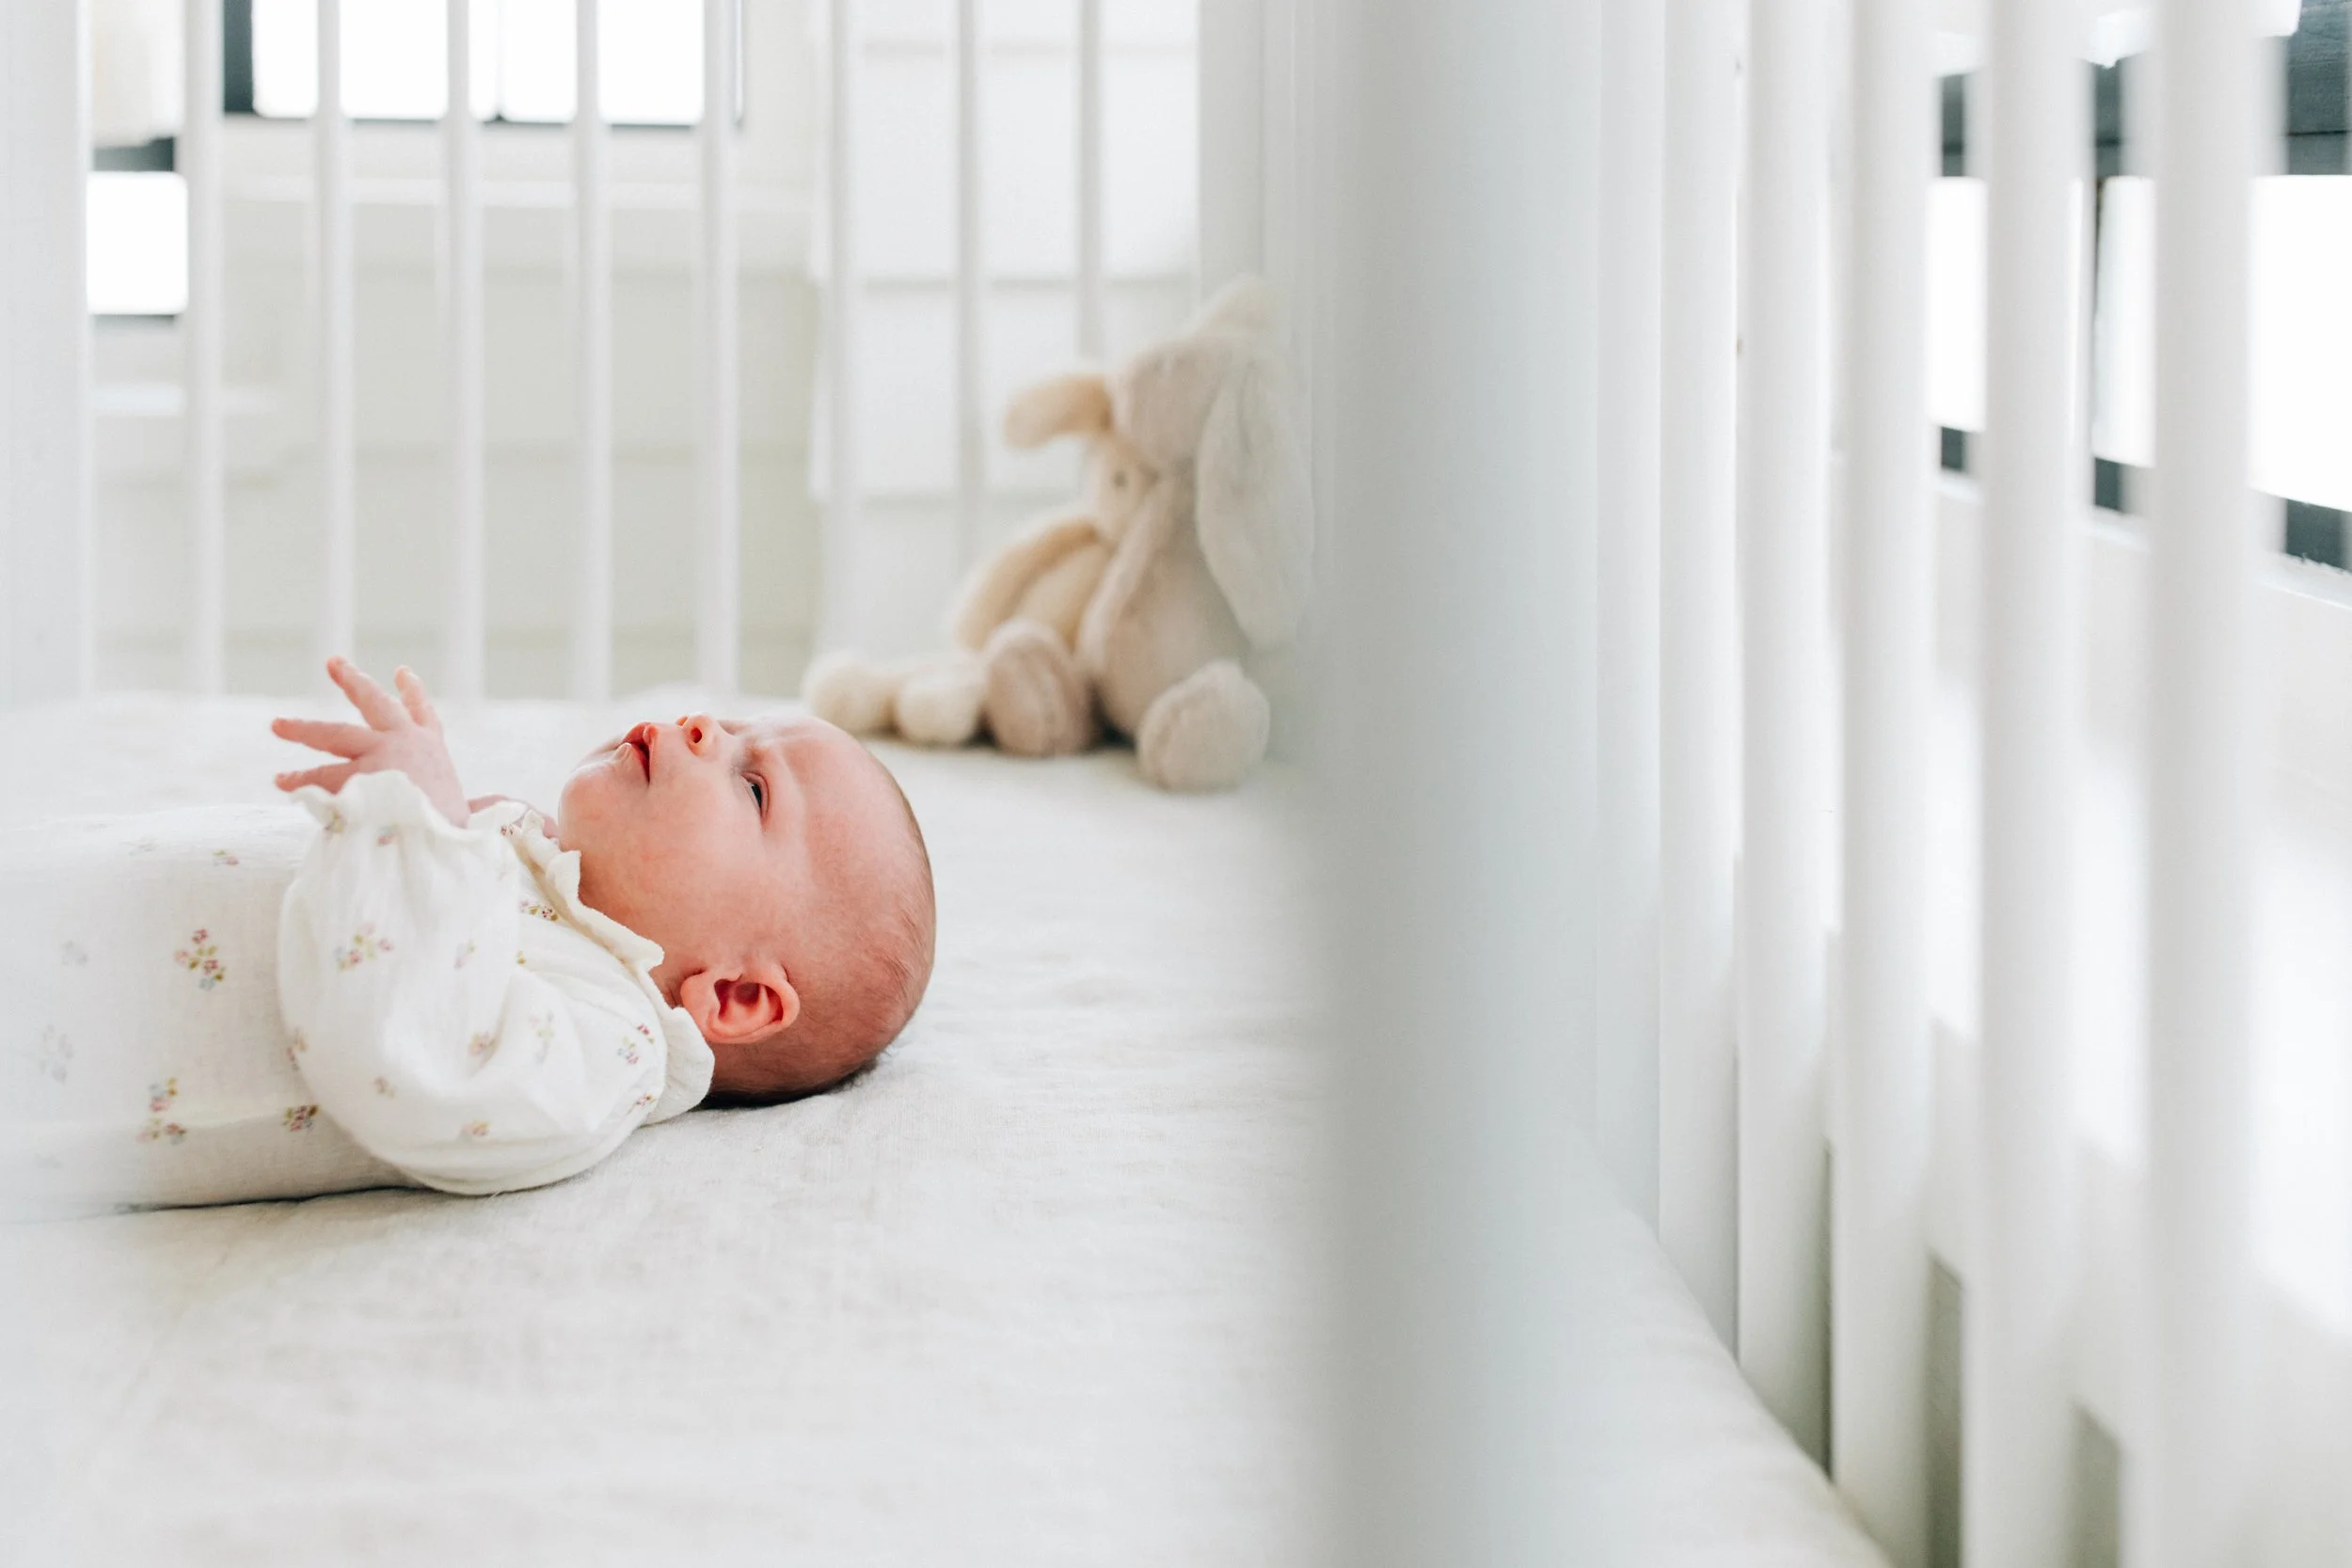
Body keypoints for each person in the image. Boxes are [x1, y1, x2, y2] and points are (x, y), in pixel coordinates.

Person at [3, 657, 934, 1210]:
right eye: (730, 726)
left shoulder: (604, 1039)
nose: (701, 727)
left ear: (731, 996)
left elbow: (412, 1058)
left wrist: (422, 827)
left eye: (753, 784)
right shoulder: (539, 875)